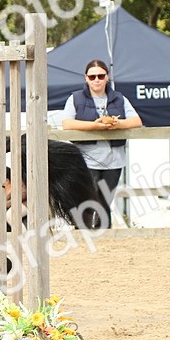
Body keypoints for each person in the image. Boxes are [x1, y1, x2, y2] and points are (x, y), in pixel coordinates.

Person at [60, 59, 142, 228]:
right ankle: (82, 231)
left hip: (114, 160)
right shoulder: (75, 98)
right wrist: (94, 126)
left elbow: (136, 121)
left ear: (107, 77)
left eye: (100, 76)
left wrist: (118, 124)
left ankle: (104, 234)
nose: (96, 80)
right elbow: (67, 123)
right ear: (86, 78)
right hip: (86, 159)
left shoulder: (119, 98)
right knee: (87, 199)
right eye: (92, 77)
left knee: (105, 200)